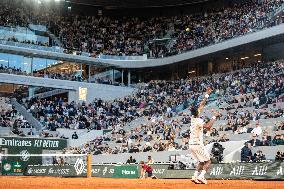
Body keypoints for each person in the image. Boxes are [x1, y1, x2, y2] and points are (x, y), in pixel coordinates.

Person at [188, 87, 219, 184]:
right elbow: (208, 126)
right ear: (197, 112)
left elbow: (202, 104)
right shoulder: (198, 121)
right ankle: (201, 176)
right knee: (208, 161)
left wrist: (207, 94)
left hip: (191, 145)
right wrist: (215, 116)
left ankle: (194, 176)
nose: (199, 108)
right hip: (197, 144)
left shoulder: (193, 118)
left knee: (201, 162)